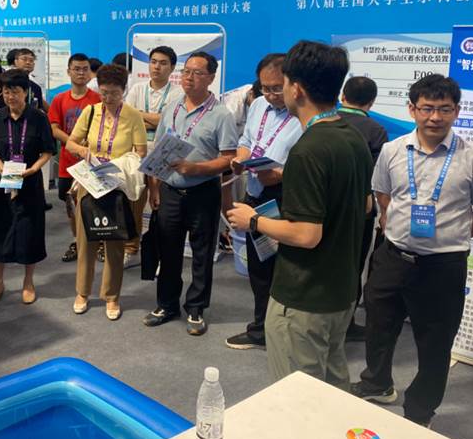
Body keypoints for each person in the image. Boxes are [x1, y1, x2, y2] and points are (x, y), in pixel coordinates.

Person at [351, 74, 473, 427]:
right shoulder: (392, 151)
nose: (435, 117)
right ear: (412, 109)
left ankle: (419, 411)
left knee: (434, 344)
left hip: (442, 267)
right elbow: (383, 196)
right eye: (427, 108)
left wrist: (449, 238)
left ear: (456, 111)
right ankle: (377, 383)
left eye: (444, 109)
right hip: (392, 256)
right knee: (378, 326)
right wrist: (397, 227)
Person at [226, 40, 372, 390]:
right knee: (332, 388)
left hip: (304, 297)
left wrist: (253, 220)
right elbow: (367, 206)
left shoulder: (309, 149)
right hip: (339, 292)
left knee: (297, 397)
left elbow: (307, 234)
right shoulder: (352, 137)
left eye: (284, 83)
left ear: (297, 89)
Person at [143, 52, 238, 336]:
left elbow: (229, 159)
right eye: (186, 72)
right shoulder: (172, 107)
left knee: (202, 254)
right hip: (170, 191)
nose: (189, 77)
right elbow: (160, 148)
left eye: (197, 73)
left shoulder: (221, 115)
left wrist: (196, 169)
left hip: (202, 193)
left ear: (211, 78)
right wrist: (154, 186)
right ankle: (167, 304)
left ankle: (196, 308)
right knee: (168, 250)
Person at [224, 53, 303, 350]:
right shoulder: (258, 105)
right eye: (264, 88)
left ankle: (288, 331)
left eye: (276, 88)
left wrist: (280, 175)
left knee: (286, 268)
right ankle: (261, 329)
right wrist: (240, 160)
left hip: (285, 197)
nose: (270, 95)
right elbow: (247, 141)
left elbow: (309, 164)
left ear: (292, 84)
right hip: (256, 193)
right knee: (260, 267)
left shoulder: (303, 115)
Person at [65, 64, 147, 320]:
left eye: (114, 93)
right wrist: (83, 151)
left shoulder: (133, 116)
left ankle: (112, 296)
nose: (108, 98)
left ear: (124, 90)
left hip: (116, 185)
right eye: (104, 92)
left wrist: (119, 164)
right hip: (89, 184)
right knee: (85, 240)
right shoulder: (90, 112)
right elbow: (70, 143)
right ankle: (82, 292)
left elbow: (141, 152)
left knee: (114, 241)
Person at [0, 70, 55, 305]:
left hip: (30, 181)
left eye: (15, 92)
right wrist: (0, 166)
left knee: (29, 231)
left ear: (26, 92)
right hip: (2, 183)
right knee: (0, 231)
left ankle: (28, 281)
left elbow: (48, 151)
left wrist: (33, 169)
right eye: (6, 92)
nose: (10, 97)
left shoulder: (38, 118)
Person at [337, 76, 389, 342]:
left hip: (323, 208)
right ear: (372, 101)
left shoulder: (325, 122)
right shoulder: (376, 131)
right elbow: (376, 178)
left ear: (343, 96)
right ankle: (346, 324)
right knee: (354, 265)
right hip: (360, 209)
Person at [123, 45, 183, 265]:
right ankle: (132, 249)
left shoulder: (178, 93)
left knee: (162, 206)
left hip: (163, 153)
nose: (157, 67)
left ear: (172, 68)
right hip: (137, 151)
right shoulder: (137, 89)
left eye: (163, 63)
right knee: (134, 203)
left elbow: (170, 122)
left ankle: (160, 256)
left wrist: (141, 115)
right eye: (153, 62)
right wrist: (155, 119)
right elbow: (127, 117)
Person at [48, 53, 101, 263]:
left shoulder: (98, 99)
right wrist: (74, 144)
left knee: (94, 204)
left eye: (85, 69)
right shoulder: (59, 99)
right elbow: (54, 129)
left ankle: (98, 241)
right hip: (67, 164)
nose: (81, 73)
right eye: (76, 69)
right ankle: (77, 241)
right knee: (71, 206)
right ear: (68, 71)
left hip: (92, 164)